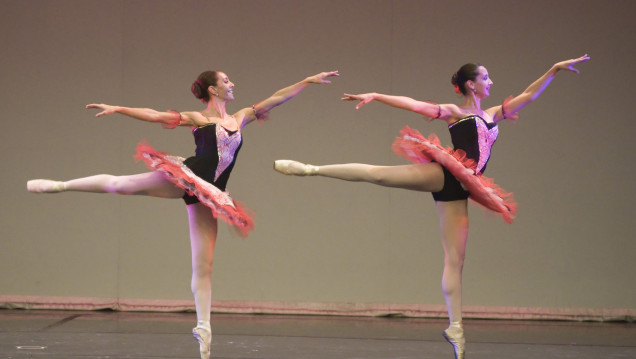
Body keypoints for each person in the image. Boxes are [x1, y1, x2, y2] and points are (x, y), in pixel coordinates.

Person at [273, 55, 589, 359]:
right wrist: (377, 95)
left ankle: (456, 328)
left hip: (465, 187)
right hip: (446, 173)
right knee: (380, 175)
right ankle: (310, 169)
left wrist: (554, 69)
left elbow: (529, 95)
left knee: (455, 259)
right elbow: (414, 104)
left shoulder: (493, 113)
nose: (490, 81)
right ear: (470, 84)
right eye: (485, 77)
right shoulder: (455, 111)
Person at [27, 69, 339, 359]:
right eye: (227, 81)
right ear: (214, 88)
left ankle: (203, 329)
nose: (232, 85)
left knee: (203, 265)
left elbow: (276, 97)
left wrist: (308, 81)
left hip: (210, 194)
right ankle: (59, 185)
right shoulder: (197, 118)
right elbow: (154, 115)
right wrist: (119, 108)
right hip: (186, 176)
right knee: (121, 185)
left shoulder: (241, 117)